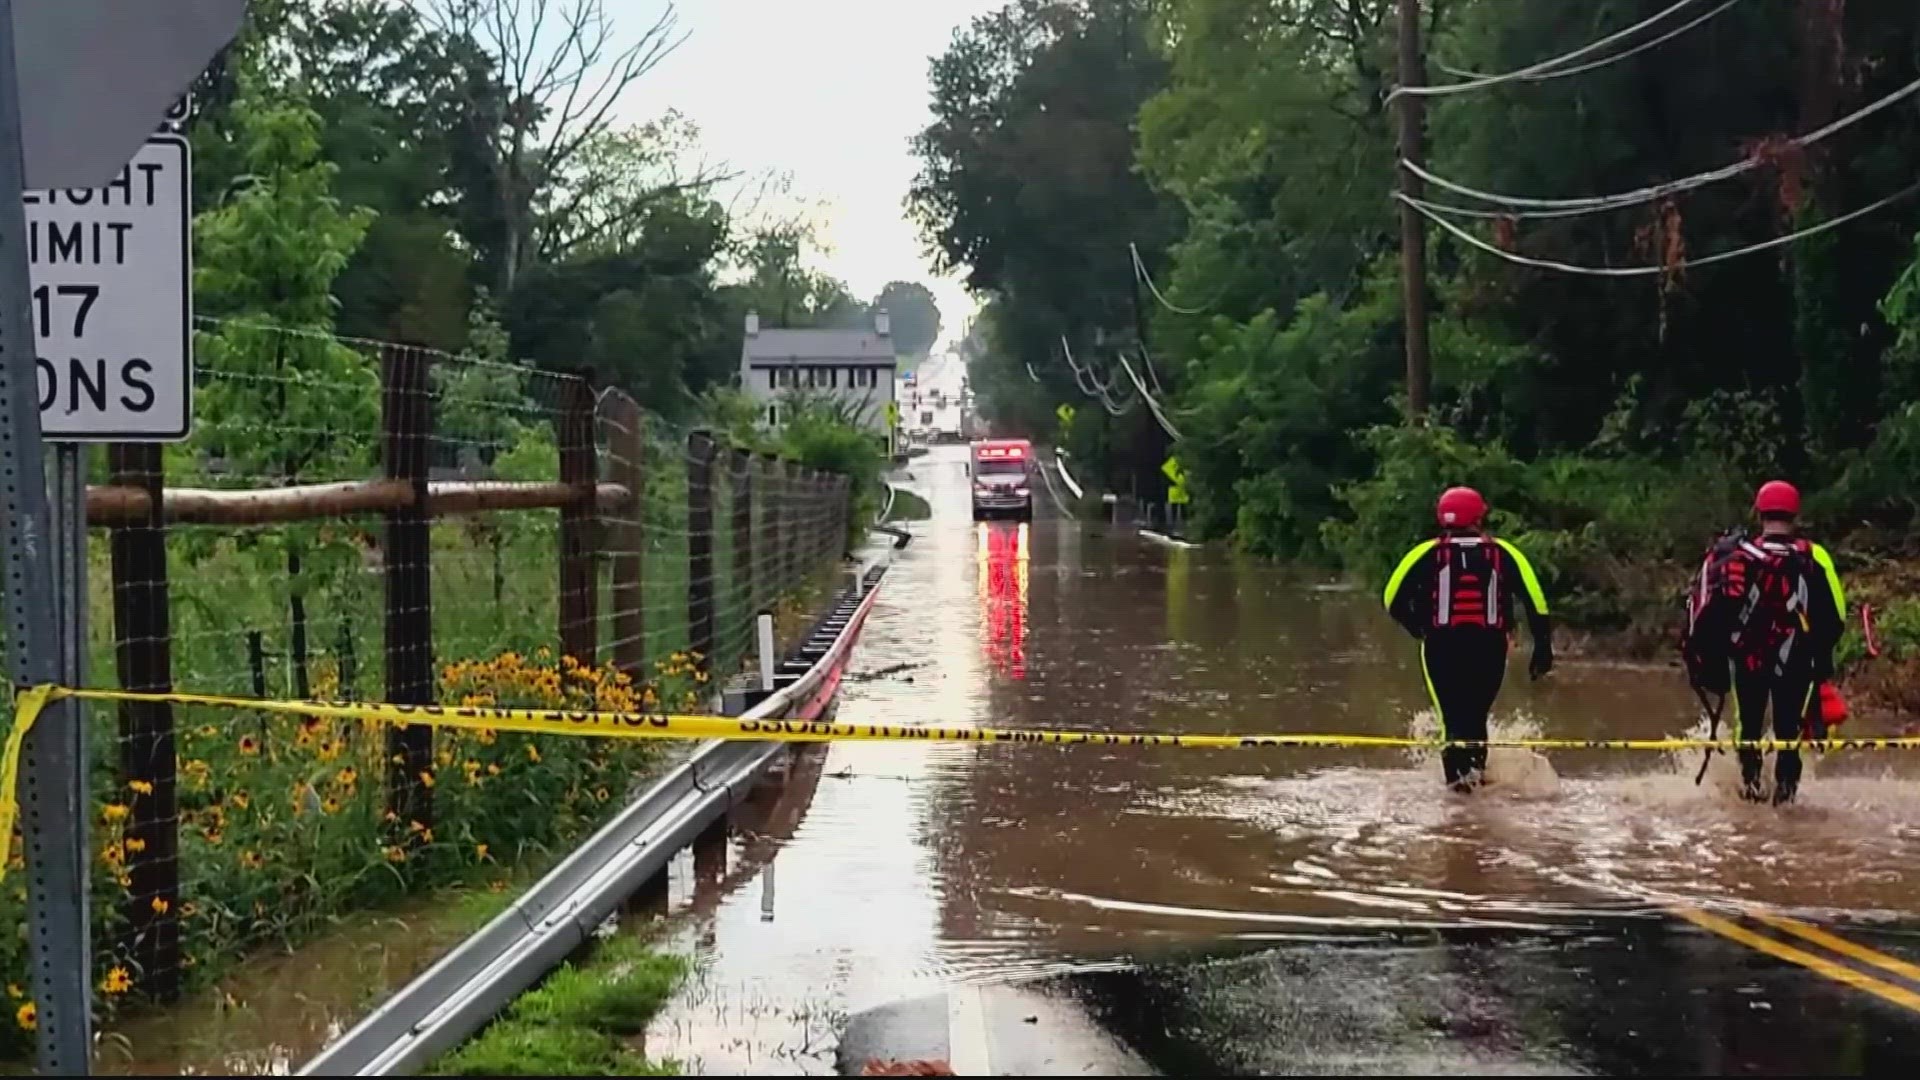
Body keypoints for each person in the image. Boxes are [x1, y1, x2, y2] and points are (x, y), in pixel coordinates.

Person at [1681, 481, 1845, 804]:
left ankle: (1751, 792)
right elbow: (1836, 617)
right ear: (1796, 514)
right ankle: (1786, 801)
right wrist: (1820, 660)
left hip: (1748, 659)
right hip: (1796, 660)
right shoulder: (1815, 556)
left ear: (1759, 513)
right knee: (1789, 731)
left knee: (1749, 728)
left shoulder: (1737, 556)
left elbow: (1719, 613)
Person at [1382, 487, 1554, 792]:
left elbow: (1392, 598)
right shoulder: (1505, 553)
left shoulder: (1425, 553)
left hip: (1441, 647)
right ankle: (1474, 794)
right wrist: (1542, 648)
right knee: (1476, 717)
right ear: (1480, 516)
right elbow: (1536, 602)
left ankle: (1458, 801)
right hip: (1489, 647)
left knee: (1452, 720)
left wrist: (1417, 628)